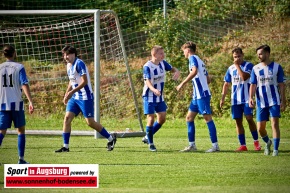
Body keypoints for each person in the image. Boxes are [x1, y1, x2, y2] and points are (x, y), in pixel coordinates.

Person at [55, 45, 116, 152]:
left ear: (73, 54)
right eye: (64, 55)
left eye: (67, 54)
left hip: (85, 97)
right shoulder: (69, 66)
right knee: (67, 119)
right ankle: (65, 146)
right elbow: (72, 80)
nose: (65, 57)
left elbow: (84, 81)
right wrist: (66, 94)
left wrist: (71, 92)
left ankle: (111, 138)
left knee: (90, 122)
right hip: (75, 97)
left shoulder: (79, 63)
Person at [176, 41, 219, 153]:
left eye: (183, 51)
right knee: (189, 118)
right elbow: (208, 79)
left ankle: (215, 146)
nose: (183, 53)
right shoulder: (200, 60)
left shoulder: (192, 59)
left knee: (207, 118)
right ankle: (192, 145)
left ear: (188, 50)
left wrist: (182, 83)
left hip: (202, 95)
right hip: (197, 95)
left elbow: (194, 72)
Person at [220, 47, 261, 151]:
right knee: (238, 121)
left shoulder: (249, 65)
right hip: (235, 100)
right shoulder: (230, 69)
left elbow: (244, 77)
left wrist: (237, 65)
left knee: (249, 118)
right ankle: (243, 145)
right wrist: (223, 98)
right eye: (234, 57)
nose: (237, 58)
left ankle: (256, 142)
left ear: (242, 55)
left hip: (247, 99)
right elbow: (226, 84)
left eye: (238, 56)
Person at [249, 44, 286, 156]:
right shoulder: (255, 68)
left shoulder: (277, 67)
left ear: (267, 53)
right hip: (261, 101)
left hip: (274, 100)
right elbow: (253, 85)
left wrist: (283, 100)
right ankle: (268, 142)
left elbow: (281, 85)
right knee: (260, 128)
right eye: (258, 54)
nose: (259, 56)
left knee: (275, 124)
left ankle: (275, 149)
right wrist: (250, 98)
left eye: (261, 54)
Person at [142, 45, 180, 151]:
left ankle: (147, 136)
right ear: (154, 54)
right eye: (161, 53)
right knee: (151, 118)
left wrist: (176, 71)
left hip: (159, 97)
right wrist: (153, 90)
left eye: (163, 53)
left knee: (162, 119)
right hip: (149, 96)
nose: (163, 55)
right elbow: (147, 81)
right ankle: (151, 144)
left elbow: (172, 68)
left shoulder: (163, 63)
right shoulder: (147, 66)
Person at [0, 45, 34, 164]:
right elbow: (24, 84)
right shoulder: (19, 67)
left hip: (3, 104)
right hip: (16, 104)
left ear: (4, 55)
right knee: (20, 130)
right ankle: (21, 159)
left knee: (1, 131)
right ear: (14, 53)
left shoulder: (0, 68)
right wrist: (30, 101)